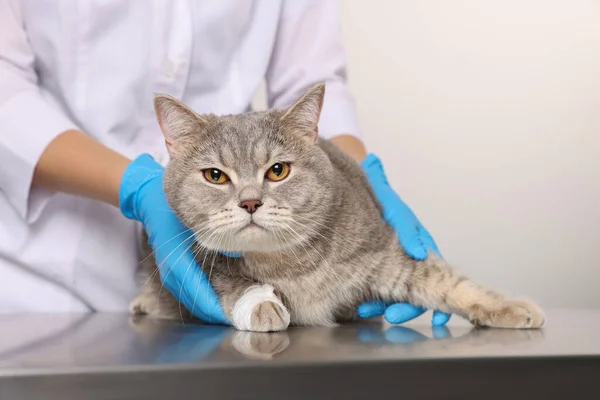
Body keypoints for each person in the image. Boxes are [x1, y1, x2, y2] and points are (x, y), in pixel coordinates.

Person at [0, 0, 450, 325]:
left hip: (239, 246)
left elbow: (312, 84)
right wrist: (137, 187)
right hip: (45, 286)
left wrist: (364, 185)